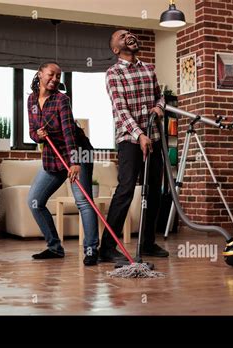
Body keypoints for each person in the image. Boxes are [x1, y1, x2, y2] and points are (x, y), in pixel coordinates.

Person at [99, 29, 169, 262]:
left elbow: (161, 96)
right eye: (121, 36)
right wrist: (139, 135)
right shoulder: (113, 73)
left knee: (153, 192)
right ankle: (107, 247)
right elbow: (120, 111)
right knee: (126, 189)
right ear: (115, 49)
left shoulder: (149, 69)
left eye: (130, 33)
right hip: (129, 140)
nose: (128, 36)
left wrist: (159, 107)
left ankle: (148, 242)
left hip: (155, 139)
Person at [27, 61, 99, 266]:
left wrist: (75, 162)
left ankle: (92, 249)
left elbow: (69, 133)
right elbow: (32, 131)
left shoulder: (62, 100)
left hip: (78, 152)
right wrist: (38, 135)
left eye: (58, 76)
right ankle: (54, 247)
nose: (55, 79)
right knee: (34, 201)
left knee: (83, 201)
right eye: (51, 74)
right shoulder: (32, 100)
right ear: (40, 74)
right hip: (53, 156)